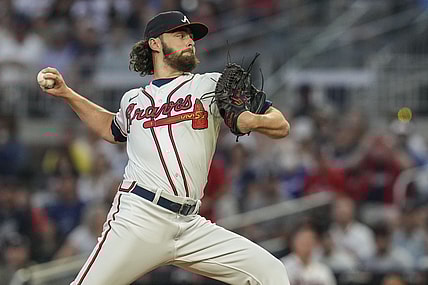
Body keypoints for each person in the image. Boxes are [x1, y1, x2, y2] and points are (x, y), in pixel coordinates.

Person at [38, 11, 290, 285]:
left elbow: (281, 124)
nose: (189, 41)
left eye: (191, 37)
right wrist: (68, 94)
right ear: (155, 43)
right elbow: (112, 129)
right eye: (180, 35)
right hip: (140, 216)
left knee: (271, 273)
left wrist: (254, 119)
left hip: (191, 222)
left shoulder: (211, 85)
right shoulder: (133, 99)